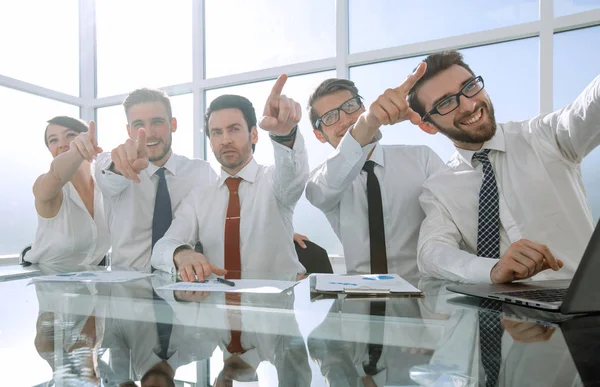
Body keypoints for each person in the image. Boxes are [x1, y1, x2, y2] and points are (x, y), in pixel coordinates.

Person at [407, 50, 600, 283]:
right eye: (446, 102)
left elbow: (588, 108)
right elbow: (431, 253)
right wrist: (492, 269)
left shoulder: (544, 136)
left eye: (469, 87)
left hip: (582, 305)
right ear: (428, 126)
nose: (468, 105)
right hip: (505, 315)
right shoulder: (439, 188)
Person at [152, 74, 308, 281]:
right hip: (216, 307)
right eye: (216, 133)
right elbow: (162, 247)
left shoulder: (274, 182)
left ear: (254, 135)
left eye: (234, 129)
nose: (225, 140)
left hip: (274, 308)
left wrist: (284, 135)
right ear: (210, 143)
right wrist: (181, 253)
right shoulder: (199, 198)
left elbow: (294, 177)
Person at [305, 64, 445, 277]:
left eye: (350, 106)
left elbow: (456, 221)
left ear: (363, 108)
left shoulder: (422, 158)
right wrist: (369, 122)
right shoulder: (319, 181)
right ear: (319, 135)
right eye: (330, 117)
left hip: (428, 297)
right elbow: (327, 187)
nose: (345, 120)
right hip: (358, 301)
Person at [93, 88, 217, 270]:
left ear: (173, 124)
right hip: (127, 291)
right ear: (128, 131)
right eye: (138, 125)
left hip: (187, 287)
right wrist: (119, 166)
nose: (149, 133)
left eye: (157, 122)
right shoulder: (111, 165)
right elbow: (109, 174)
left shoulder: (201, 172)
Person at [27, 117, 110, 265]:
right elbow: (56, 175)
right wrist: (75, 152)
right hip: (49, 283)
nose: (62, 144)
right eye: (53, 140)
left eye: (70, 135)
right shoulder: (44, 185)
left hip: (92, 284)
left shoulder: (104, 187)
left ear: (88, 139)